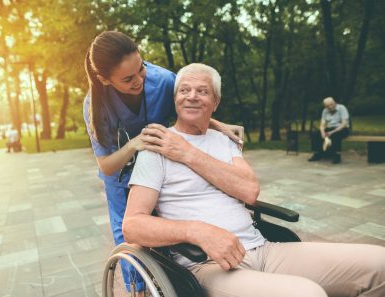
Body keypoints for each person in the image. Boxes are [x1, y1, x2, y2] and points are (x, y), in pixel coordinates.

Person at [123, 63, 385, 297]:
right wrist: (197, 231)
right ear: (175, 98)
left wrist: (187, 152)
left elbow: (249, 191)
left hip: (263, 249)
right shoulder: (156, 147)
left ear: (216, 102)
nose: (192, 96)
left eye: (202, 91)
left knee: (380, 263)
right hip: (207, 266)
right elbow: (133, 226)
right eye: (184, 90)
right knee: (307, 293)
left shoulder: (224, 140)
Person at [82, 31, 244, 292]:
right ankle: (139, 288)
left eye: (141, 69)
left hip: (161, 166)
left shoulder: (164, 80)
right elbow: (106, 166)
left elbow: (187, 110)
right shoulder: (95, 105)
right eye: (128, 79)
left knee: (167, 227)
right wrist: (134, 144)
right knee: (132, 236)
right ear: (105, 80)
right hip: (121, 179)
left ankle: (177, 283)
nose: (139, 80)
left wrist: (218, 125)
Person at [308, 97, 350, 164]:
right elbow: (322, 124)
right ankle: (317, 154)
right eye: (327, 106)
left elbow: (344, 124)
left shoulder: (342, 108)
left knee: (335, 135)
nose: (330, 107)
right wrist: (322, 132)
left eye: (331, 104)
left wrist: (332, 132)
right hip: (330, 128)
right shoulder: (325, 111)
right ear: (325, 106)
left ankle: (337, 155)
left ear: (334, 103)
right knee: (315, 134)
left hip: (342, 128)